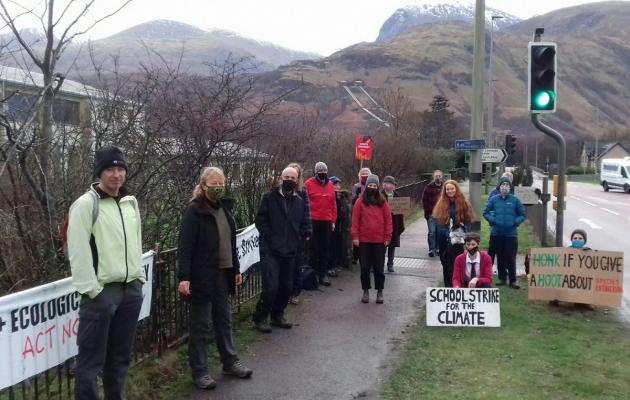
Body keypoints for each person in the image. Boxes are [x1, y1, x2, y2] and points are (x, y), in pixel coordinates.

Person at [67, 145, 145, 399]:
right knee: (90, 363)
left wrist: (139, 279)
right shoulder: (85, 205)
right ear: (100, 173)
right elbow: (77, 252)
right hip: (102, 294)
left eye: (120, 168)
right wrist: (93, 291)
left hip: (130, 291)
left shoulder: (129, 203)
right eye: (110, 169)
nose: (116, 175)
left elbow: (136, 242)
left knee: (120, 359)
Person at [177, 167, 252, 390]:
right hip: (201, 276)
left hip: (223, 274)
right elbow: (185, 247)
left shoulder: (224, 210)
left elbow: (232, 243)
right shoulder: (194, 211)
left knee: (224, 320)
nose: (218, 186)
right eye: (214, 183)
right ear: (203, 185)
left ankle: (230, 361)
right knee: (200, 326)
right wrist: (184, 277)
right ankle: (199, 371)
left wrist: (236, 270)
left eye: (221, 182)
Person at [253, 166, 312, 332]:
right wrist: (270, 238)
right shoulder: (269, 197)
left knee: (286, 287)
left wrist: (301, 237)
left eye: (293, 178)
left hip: (290, 250)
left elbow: (302, 223)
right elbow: (260, 220)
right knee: (271, 286)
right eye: (287, 177)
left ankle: (277, 315)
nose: (289, 180)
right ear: (281, 178)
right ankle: (260, 317)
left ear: (297, 180)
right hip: (271, 250)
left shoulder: (299, 201)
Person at [352, 174, 393, 304]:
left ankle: (380, 291)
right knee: (364, 268)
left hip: (379, 241)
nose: (372, 188)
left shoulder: (383, 202)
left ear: (377, 187)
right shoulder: (360, 202)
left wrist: (388, 237)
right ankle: (365, 290)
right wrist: (355, 236)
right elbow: (355, 221)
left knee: (379, 268)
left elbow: (388, 221)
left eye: (374, 186)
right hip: (364, 241)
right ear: (366, 186)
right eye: (370, 185)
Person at [483, 176, 526, 289]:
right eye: (503, 185)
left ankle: (513, 280)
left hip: (511, 234)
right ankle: (502, 278)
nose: (505, 187)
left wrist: (515, 222)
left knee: (511, 257)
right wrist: (493, 220)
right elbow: (485, 212)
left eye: (507, 185)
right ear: (499, 187)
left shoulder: (515, 200)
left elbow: (522, 214)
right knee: (500, 257)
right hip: (496, 233)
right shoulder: (494, 199)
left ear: (510, 187)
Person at [432, 180, 475, 288]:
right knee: (446, 264)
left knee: (458, 264)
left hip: (459, 239)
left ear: (456, 189)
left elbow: (468, 221)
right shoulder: (441, 204)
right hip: (444, 239)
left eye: (452, 188)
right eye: (448, 189)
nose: (450, 191)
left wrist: (464, 232)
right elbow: (439, 223)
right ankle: (448, 287)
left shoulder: (464, 203)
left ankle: (459, 286)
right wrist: (448, 233)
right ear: (445, 191)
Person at [304, 161, 337, 286]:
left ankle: (323, 275)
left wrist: (333, 220)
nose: (322, 174)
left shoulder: (330, 185)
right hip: (313, 220)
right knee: (313, 249)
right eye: (320, 172)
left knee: (325, 249)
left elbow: (333, 204)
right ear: (316, 173)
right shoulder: (308, 184)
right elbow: (304, 204)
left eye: (324, 172)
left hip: (326, 221)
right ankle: (313, 274)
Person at [287, 162, 312, 306]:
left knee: (297, 265)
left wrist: (307, 230)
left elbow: (307, 212)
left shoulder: (302, 192)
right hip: (286, 234)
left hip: (298, 234)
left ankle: (295, 293)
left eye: (295, 176)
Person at [382, 175, 405, 272]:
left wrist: (401, 227)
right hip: (383, 226)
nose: (390, 186)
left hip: (395, 225)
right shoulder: (380, 196)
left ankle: (390, 264)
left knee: (392, 247)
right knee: (382, 247)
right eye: (388, 184)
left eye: (392, 184)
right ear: (384, 185)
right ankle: (379, 264)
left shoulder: (397, 196)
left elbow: (400, 214)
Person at [329, 176, 350, 276]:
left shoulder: (341, 197)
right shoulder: (330, 196)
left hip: (340, 225)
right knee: (331, 246)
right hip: (332, 224)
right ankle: (331, 266)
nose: (337, 186)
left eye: (338, 184)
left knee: (338, 244)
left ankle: (337, 263)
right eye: (335, 184)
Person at [351, 167, 372, 265]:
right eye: (363, 175)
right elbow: (353, 199)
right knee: (358, 234)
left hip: (369, 212)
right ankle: (356, 256)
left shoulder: (372, 186)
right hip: (359, 212)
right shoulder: (357, 186)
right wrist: (357, 196)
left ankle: (366, 256)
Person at [421, 170, 443, 257]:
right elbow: (424, 200)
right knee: (432, 232)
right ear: (433, 177)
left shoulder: (445, 187)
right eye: (436, 176)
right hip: (431, 214)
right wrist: (428, 211)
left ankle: (438, 248)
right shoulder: (428, 187)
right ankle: (431, 249)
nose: (438, 177)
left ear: (442, 177)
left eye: (439, 176)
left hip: (441, 214)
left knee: (439, 232)